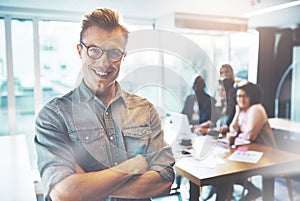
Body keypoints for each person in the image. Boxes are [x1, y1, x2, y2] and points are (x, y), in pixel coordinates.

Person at [34, 8, 175, 201]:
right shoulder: (54, 115)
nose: (103, 62)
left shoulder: (145, 110)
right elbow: (64, 193)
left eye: (114, 52)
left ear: (123, 56)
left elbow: (164, 181)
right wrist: (132, 166)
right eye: (94, 50)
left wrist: (86, 185)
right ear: (79, 51)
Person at [228, 82, 277, 201]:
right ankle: (251, 191)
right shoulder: (243, 110)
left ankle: (252, 192)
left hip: (267, 155)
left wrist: (236, 137)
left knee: (229, 172)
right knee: (228, 168)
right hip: (251, 152)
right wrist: (237, 112)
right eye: (238, 96)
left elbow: (249, 136)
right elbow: (233, 130)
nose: (241, 99)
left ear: (252, 97)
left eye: (245, 96)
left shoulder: (256, 109)